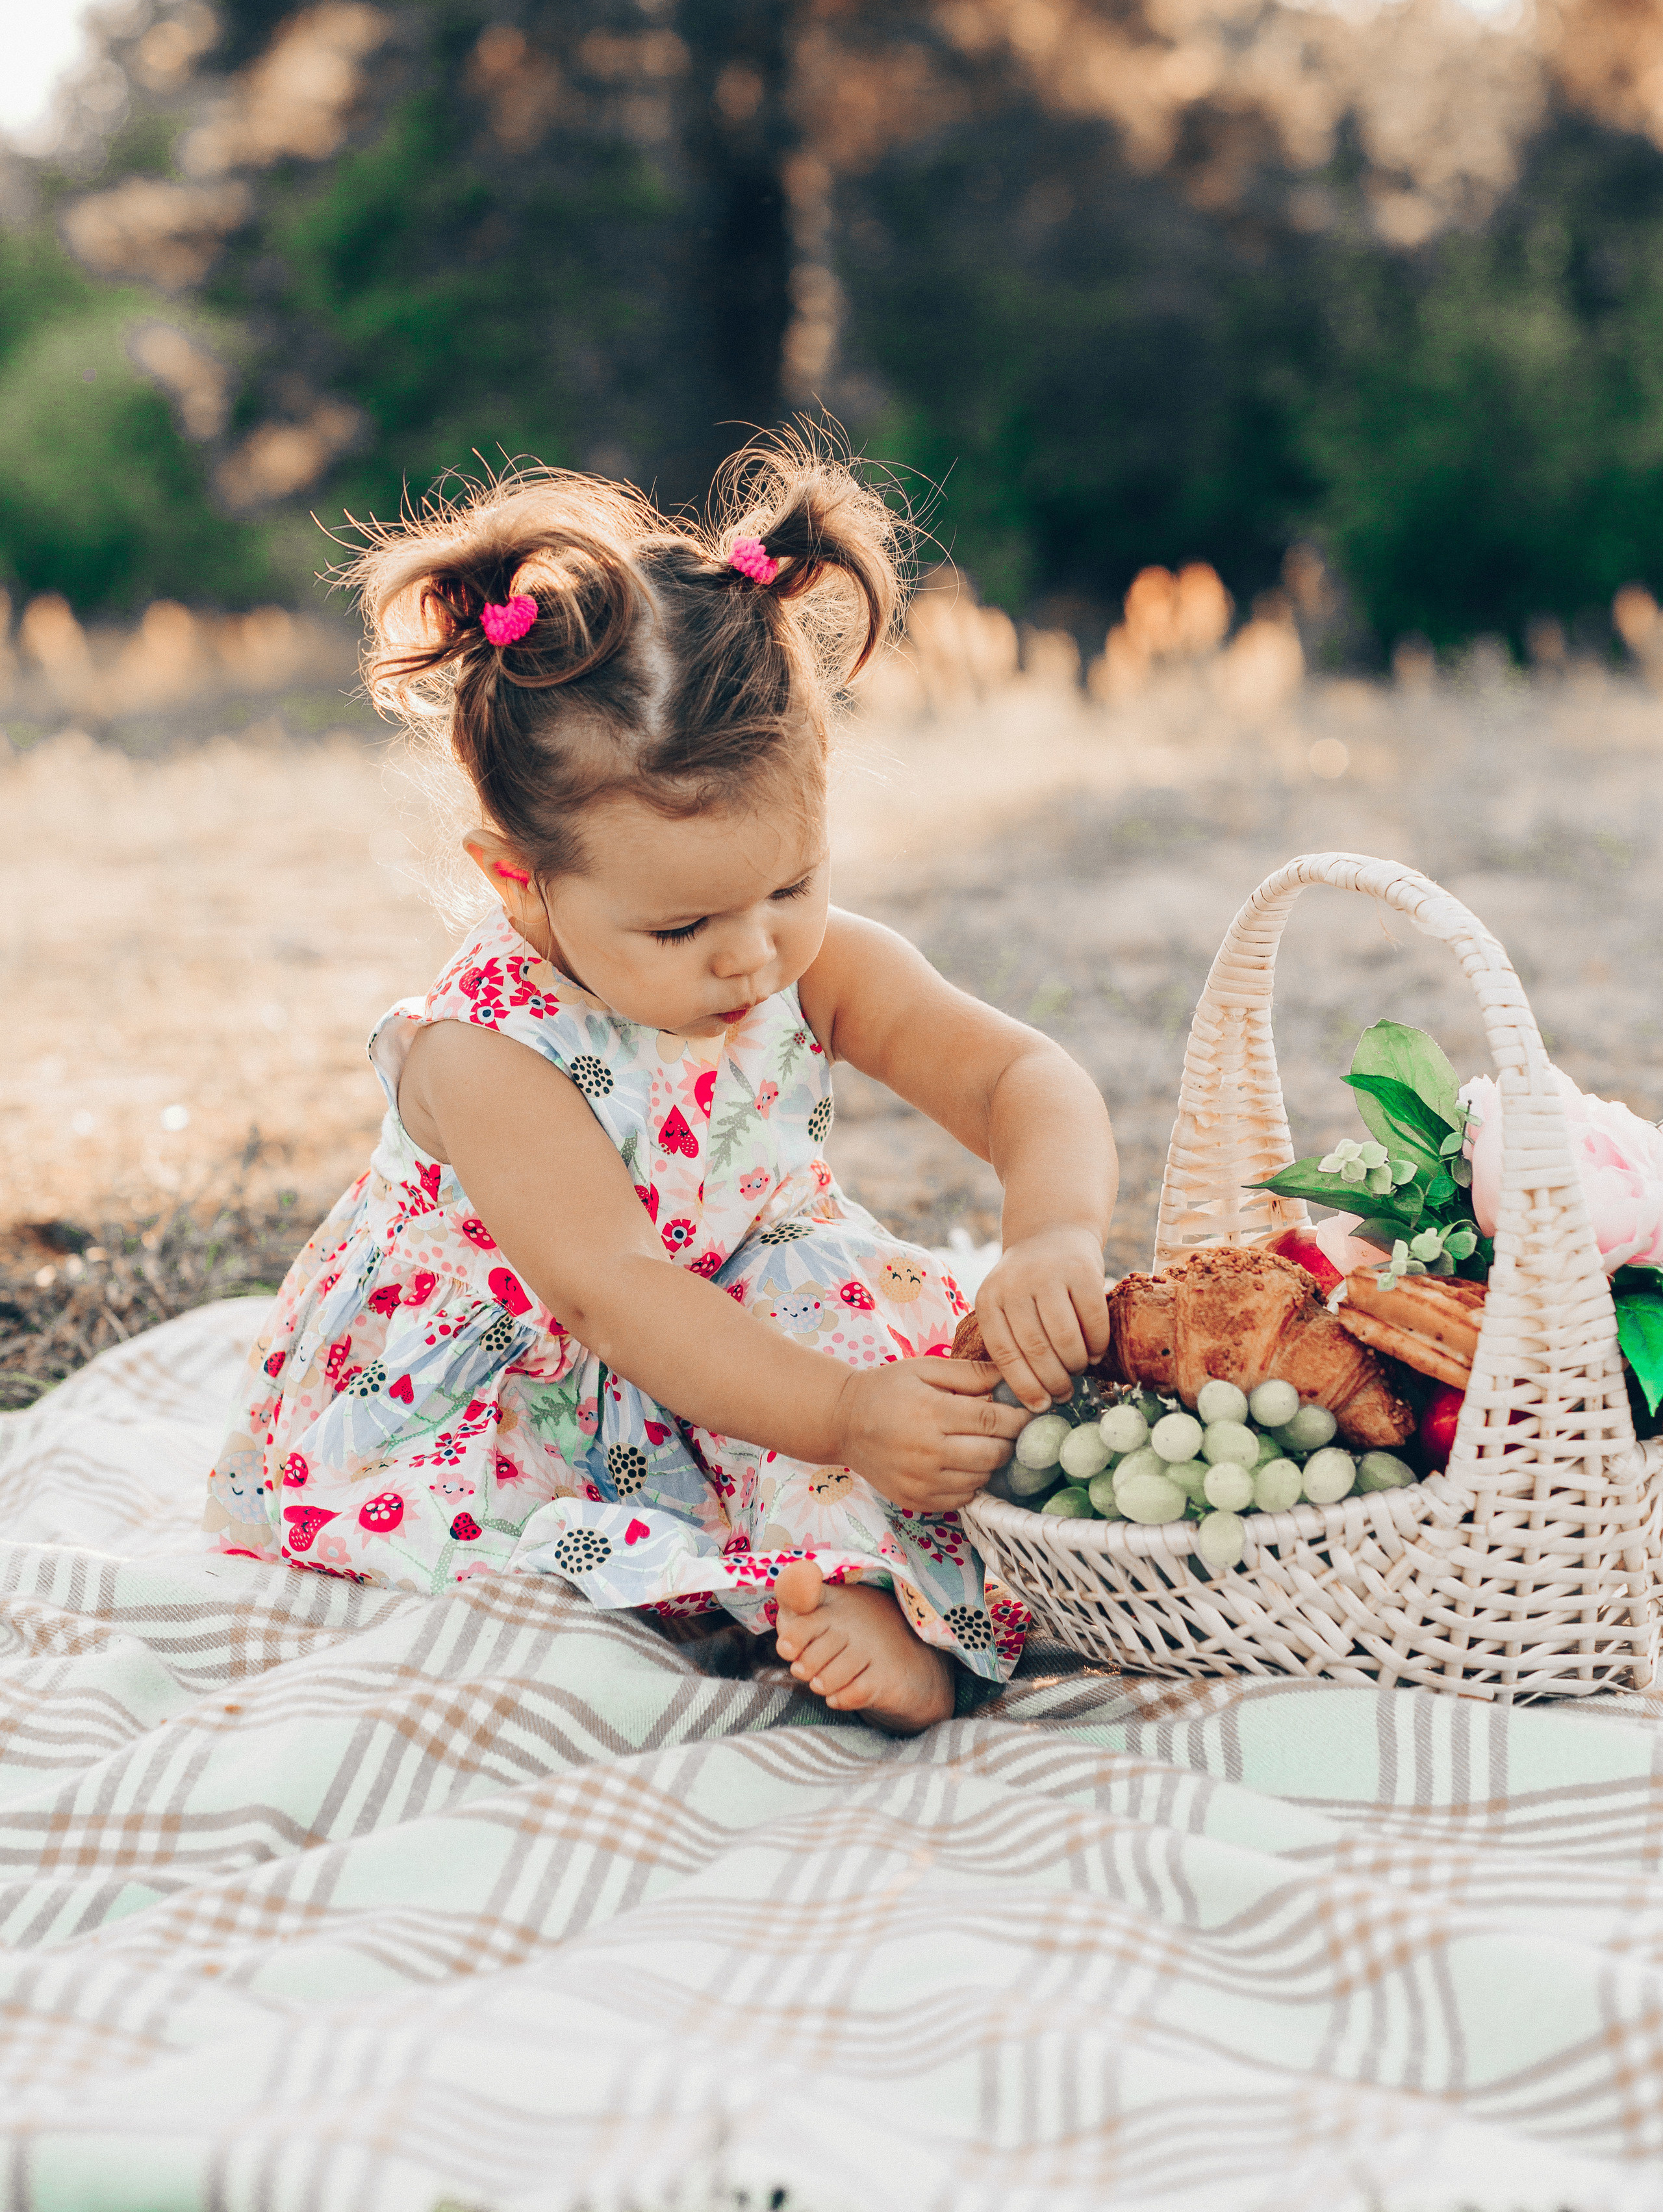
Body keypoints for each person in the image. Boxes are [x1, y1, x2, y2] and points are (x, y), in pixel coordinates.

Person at [205, 440, 1117, 1731]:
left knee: (889, 1355)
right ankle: (812, 1586)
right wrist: (849, 1416)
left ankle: (869, 1581)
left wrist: (1053, 1233)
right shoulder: (486, 1052)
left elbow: (1018, 1075)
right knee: (723, 1467)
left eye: (787, 888)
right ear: (519, 879)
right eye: (682, 930)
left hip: (749, 1316)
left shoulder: (813, 965)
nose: (749, 951)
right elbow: (621, 1297)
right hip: (547, 1373)